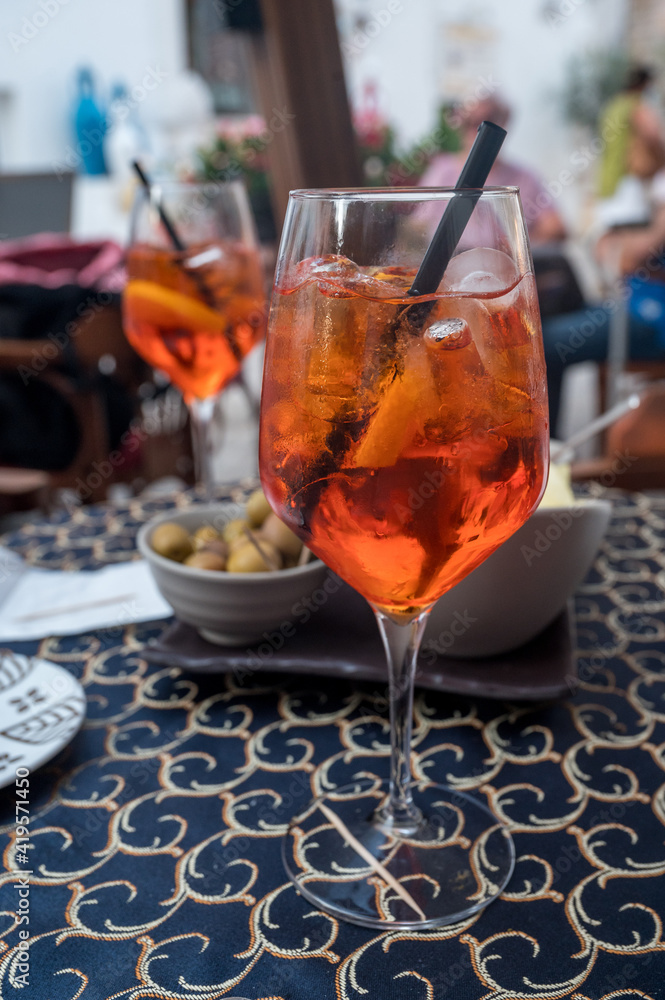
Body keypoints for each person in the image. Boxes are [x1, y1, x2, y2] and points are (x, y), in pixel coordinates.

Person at [542, 199, 665, 434]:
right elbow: (611, 251)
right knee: (544, 330)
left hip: (653, 319)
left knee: (547, 344)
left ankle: (547, 443)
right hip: (633, 303)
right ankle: (548, 440)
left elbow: (634, 254)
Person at [415, 96, 567, 246]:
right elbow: (416, 229)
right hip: (453, 260)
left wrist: (515, 247)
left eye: (488, 121)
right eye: (470, 122)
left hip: (502, 261)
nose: (477, 131)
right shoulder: (441, 171)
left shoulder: (524, 177)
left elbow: (556, 227)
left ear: (503, 122)